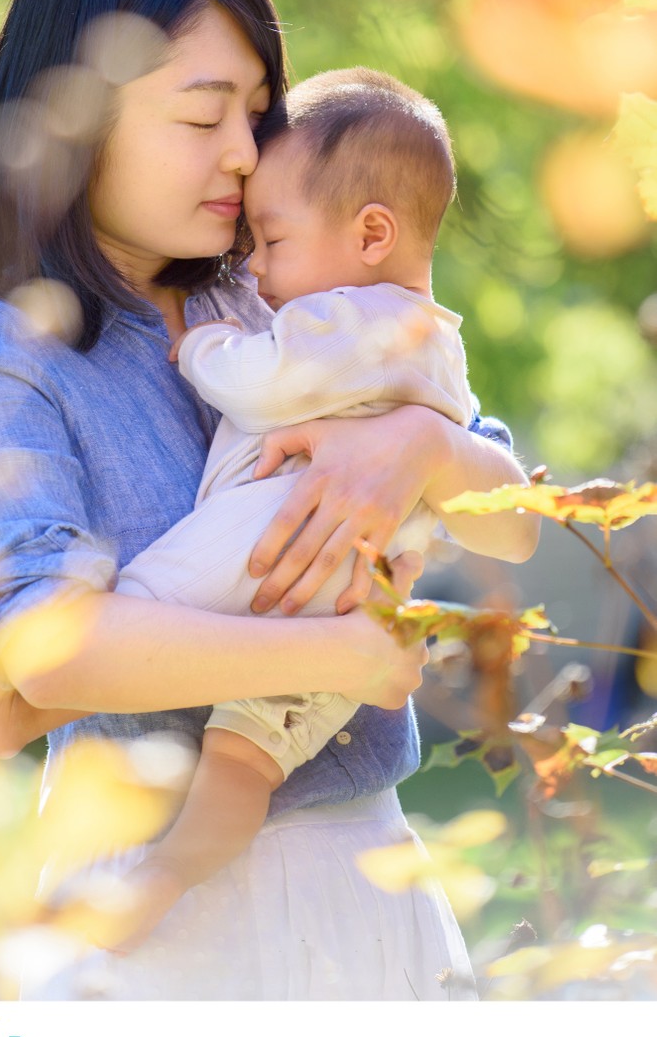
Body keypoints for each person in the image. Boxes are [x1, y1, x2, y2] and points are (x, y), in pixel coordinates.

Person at [0, 0, 539, 1001]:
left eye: (258, 114)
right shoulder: (1, 346)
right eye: (204, 119)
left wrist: (412, 447)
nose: (248, 154)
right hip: (158, 911)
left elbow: (521, 514)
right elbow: (34, 662)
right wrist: (335, 658)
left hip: (366, 878)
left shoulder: (275, 295)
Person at [100, 66, 477, 952]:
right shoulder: (438, 344)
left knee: (141, 596)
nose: (256, 269)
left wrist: (203, 343)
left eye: (271, 241)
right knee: (245, 759)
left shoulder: (351, 320)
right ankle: (165, 880)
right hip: (349, 602)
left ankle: (99, 652)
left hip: (277, 549)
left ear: (370, 234)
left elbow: (264, 383)